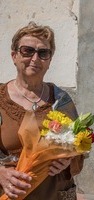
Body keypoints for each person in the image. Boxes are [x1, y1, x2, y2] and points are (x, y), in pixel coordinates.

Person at [0, 22, 83, 200]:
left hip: (55, 194)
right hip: (12, 194)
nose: (35, 58)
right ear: (14, 56)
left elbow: (79, 147)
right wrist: (0, 172)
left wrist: (68, 160)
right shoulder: (0, 99)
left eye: (43, 53)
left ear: (49, 60)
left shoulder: (61, 100)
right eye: (27, 51)